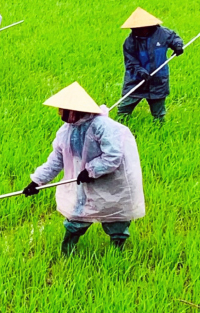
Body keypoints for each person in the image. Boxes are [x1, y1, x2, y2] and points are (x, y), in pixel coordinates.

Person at [23, 82, 145, 254]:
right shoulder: (66, 131)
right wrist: (37, 181)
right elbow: (56, 160)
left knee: (115, 216)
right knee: (77, 216)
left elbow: (113, 156)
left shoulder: (103, 127)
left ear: (75, 110)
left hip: (112, 180)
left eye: (63, 110)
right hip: (85, 180)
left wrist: (91, 170)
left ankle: (117, 251)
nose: (60, 114)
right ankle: (67, 252)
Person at [117, 8, 184, 122]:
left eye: (138, 28)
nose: (135, 31)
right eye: (133, 28)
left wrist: (178, 46)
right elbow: (131, 62)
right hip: (136, 80)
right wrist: (140, 71)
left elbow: (174, 38)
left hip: (158, 79)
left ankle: (159, 128)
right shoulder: (130, 42)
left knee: (159, 113)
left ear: (148, 26)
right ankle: (120, 126)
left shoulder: (163, 34)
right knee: (124, 109)